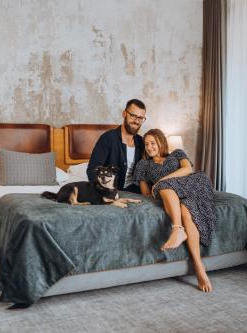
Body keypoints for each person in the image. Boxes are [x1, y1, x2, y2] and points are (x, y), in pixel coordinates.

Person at [133, 129, 216, 292]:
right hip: (175, 195)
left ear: (161, 142)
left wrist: (161, 181)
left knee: (163, 186)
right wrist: (160, 188)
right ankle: (199, 268)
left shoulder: (177, 153)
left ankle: (177, 230)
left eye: (153, 143)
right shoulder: (143, 164)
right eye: (146, 144)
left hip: (195, 184)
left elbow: (187, 170)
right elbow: (145, 193)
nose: (149, 147)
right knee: (186, 212)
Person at [87, 99, 147, 193]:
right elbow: (93, 170)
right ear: (124, 114)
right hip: (109, 191)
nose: (136, 121)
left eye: (140, 118)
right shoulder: (107, 138)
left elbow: (157, 161)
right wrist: (106, 193)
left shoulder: (142, 142)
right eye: (133, 115)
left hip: (135, 193)